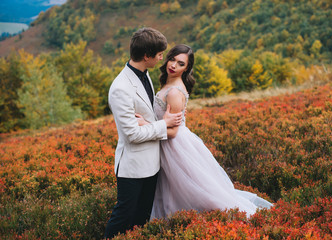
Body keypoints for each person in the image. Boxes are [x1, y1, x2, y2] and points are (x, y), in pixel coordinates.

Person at [137, 44, 273, 220]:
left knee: (192, 192)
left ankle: (221, 220)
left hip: (174, 145)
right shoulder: (168, 83)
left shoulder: (174, 93)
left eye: (180, 64)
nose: (173, 65)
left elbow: (172, 132)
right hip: (167, 143)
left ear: (186, 69)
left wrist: (146, 124)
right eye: (172, 59)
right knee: (175, 192)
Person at [104, 28, 183, 239]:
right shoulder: (120, 88)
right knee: (123, 217)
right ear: (146, 56)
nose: (161, 58)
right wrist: (164, 123)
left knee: (142, 218)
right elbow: (132, 135)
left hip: (152, 164)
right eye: (158, 54)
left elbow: (145, 120)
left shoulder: (144, 75)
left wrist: (150, 123)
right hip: (133, 167)